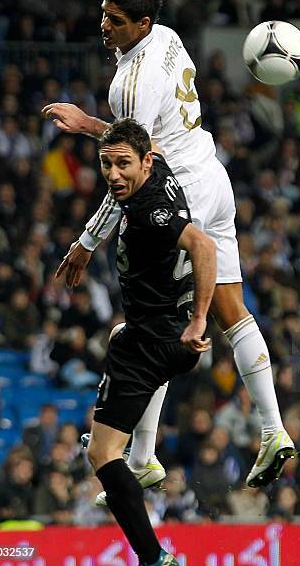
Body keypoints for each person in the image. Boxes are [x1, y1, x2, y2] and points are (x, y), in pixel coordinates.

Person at [42, 0, 294, 495]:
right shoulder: (168, 38)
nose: (104, 25)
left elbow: (131, 168)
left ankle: (142, 454)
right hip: (212, 175)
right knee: (233, 311)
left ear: (142, 22)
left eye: (115, 20)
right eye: (104, 13)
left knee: (148, 326)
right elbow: (140, 132)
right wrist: (91, 123)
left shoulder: (134, 82)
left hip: (178, 190)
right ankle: (272, 430)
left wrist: (87, 241)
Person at [77, 118, 216, 566]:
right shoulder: (158, 167)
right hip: (162, 334)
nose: (114, 175)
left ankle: (154, 557)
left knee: (101, 454)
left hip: (152, 344)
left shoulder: (146, 214)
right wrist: (87, 124)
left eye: (122, 165)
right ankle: (141, 456)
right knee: (117, 334)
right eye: (106, 164)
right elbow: (132, 143)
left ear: (145, 163)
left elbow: (205, 247)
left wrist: (199, 320)